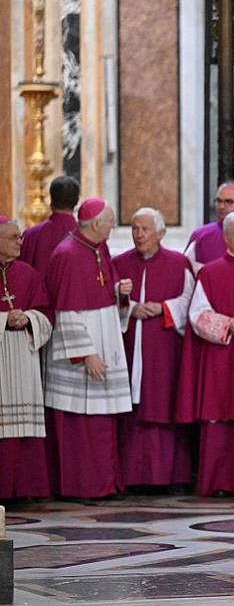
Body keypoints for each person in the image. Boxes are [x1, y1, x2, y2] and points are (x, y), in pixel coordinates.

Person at [44, 199, 134, 499]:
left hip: (104, 341)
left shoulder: (98, 248)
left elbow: (101, 291)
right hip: (82, 356)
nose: (113, 226)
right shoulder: (67, 254)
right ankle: (83, 486)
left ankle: (105, 483)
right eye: (110, 221)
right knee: (82, 425)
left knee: (103, 422)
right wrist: (87, 353)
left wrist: (119, 292)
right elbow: (65, 310)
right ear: (96, 224)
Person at [175, 212, 234, 495]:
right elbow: (197, 314)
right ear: (226, 238)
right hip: (222, 357)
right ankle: (218, 483)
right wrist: (228, 325)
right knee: (220, 416)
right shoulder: (209, 273)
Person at [112, 208, 195, 493]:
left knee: (164, 403)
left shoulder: (178, 263)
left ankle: (169, 478)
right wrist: (130, 307)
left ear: (161, 233)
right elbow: (107, 303)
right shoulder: (119, 262)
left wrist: (163, 308)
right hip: (130, 346)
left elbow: (189, 300)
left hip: (165, 347)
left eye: (145, 229)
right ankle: (131, 478)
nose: (139, 235)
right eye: (134, 229)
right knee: (132, 410)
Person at [0, 217, 53, 500]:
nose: (20, 242)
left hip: (23, 354)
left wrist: (29, 319)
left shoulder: (28, 273)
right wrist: (3, 320)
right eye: (13, 237)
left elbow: (45, 312)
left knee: (25, 428)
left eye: (20, 236)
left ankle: (26, 489)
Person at [20, 176, 80, 280]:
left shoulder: (30, 235)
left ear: (51, 199)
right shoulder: (87, 235)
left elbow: (21, 274)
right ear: (77, 201)